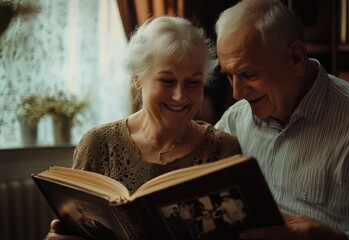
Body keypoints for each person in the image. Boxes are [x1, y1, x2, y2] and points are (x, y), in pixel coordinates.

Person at [214, 0, 349, 239]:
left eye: (248, 74)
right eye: (229, 76)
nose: (236, 93)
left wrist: (333, 238)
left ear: (296, 57)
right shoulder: (235, 120)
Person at [44, 15, 241, 240]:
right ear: (138, 78)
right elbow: (64, 230)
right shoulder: (98, 143)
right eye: (167, 81)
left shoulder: (221, 150)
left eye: (193, 82)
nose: (180, 95)